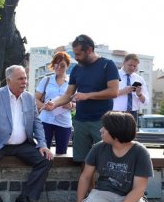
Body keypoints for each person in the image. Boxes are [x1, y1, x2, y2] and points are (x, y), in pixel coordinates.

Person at [0, 65, 54, 202]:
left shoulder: (29, 98)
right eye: (20, 79)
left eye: (25, 78)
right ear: (9, 81)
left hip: (23, 145)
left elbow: (37, 123)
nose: (24, 82)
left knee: (46, 159)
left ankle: (24, 198)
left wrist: (43, 144)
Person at [44, 34, 119, 168]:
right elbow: (68, 94)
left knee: (106, 159)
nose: (75, 57)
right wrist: (54, 104)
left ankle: (103, 189)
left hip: (102, 121)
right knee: (83, 162)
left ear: (89, 50)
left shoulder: (107, 65)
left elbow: (114, 91)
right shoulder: (77, 69)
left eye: (78, 54)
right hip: (80, 122)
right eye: (74, 54)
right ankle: (88, 189)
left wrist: (88, 95)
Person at [35, 51, 75, 155]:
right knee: (42, 152)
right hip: (46, 120)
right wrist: (45, 106)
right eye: (56, 65)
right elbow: (35, 99)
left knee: (62, 153)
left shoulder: (72, 82)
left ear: (67, 66)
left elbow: (80, 102)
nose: (59, 68)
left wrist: (71, 105)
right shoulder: (46, 80)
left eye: (62, 65)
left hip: (63, 122)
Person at [112, 53, 150, 123]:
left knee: (130, 134)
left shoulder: (139, 79)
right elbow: (106, 94)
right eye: (130, 65)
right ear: (124, 62)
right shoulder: (113, 75)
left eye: (135, 66)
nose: (132, 68)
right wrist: (123, 91)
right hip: (115, 113)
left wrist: (139, 94)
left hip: (132, 114)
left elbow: (146, 102)